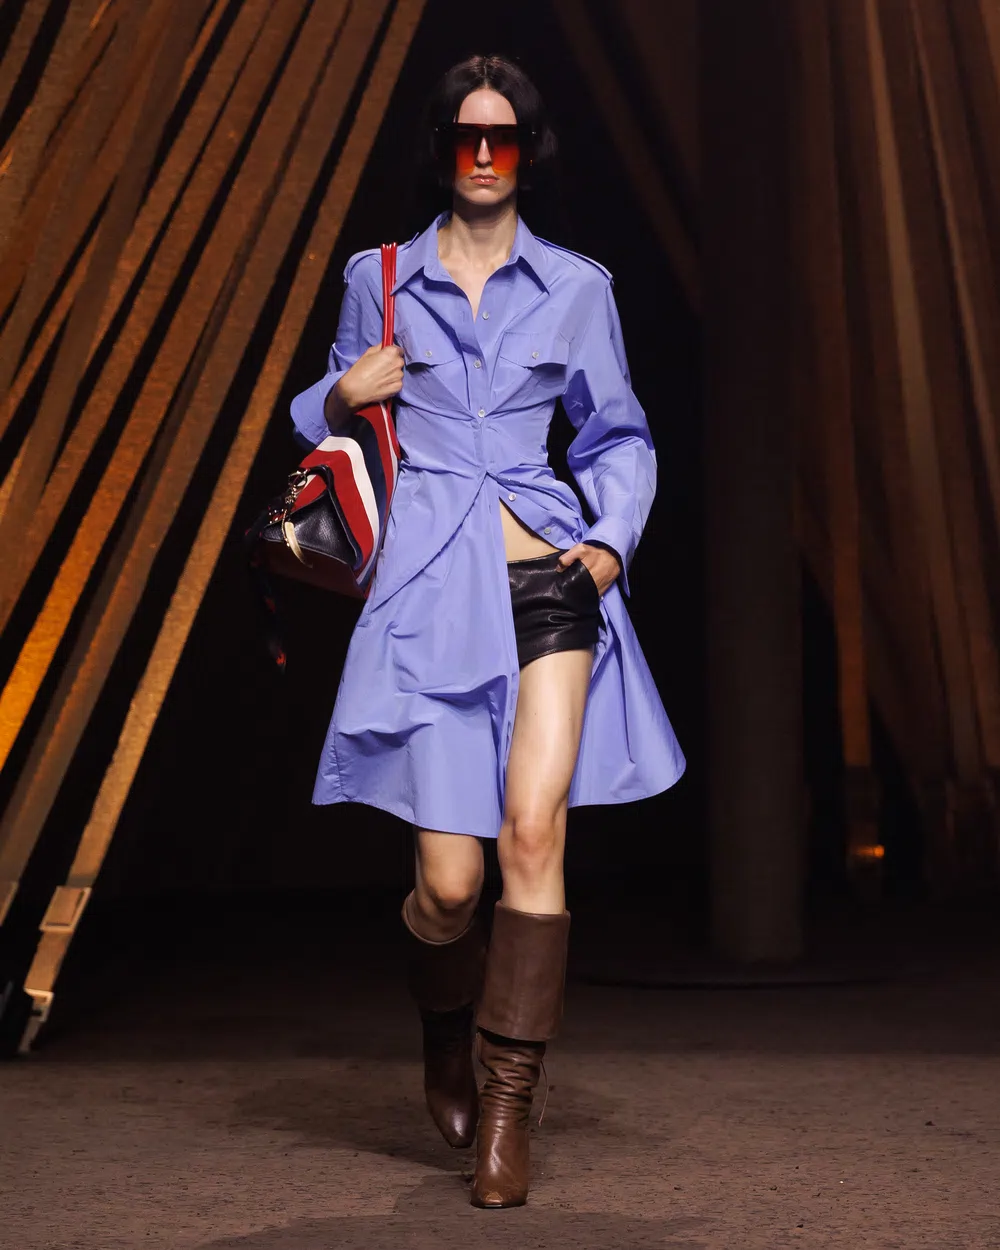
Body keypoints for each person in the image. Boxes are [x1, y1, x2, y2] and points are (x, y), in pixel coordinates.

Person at [289, 54, 685, 1209]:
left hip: (547, 573)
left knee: (530, 831)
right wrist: (342, 394)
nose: (480, 155)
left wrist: (608, 540)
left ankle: (509, 1110)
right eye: (464, 136)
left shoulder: (576, 288)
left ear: (525, 153)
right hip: (424, 589)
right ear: (440, 149)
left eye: (500, 138)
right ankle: (442, 1024)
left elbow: (618, 433)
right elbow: (324, 416)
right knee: (450, 887)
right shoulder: (379, 276)